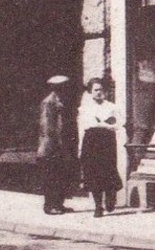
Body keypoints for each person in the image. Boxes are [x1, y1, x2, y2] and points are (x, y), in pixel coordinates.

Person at [78, 78, 123, 217]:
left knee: (108, 170)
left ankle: (110, 199)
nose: (99, 92)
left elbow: (119, 124)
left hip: (107, 142)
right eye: (95, 90)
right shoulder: (85, 108)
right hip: (91, 141)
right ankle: (98, 206)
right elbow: (84, 126)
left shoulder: (112, 107)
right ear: (90, 92)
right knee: (93, 173)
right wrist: (80, 147)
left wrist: (104, 124)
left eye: (101, 89)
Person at [37, 75, 75, 215]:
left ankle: (59, 204)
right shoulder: (49, 102)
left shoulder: (61, 101)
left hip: (60, 145)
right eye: (62, 86)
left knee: (60, 175)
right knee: (51, 176)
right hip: (51, 146)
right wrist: (55, 144)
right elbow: (47, 126)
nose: (65, 89)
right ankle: (50, 205)